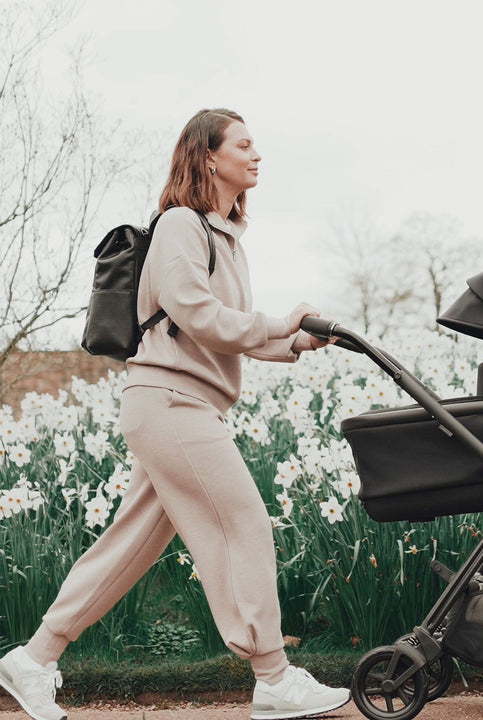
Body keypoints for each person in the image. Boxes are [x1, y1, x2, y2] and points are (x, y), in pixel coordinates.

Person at [0, 109, 350, 720]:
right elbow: (196, 313)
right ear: (209, 156)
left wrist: (292, 341)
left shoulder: (223, 237)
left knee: (129, 546)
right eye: (244, 144)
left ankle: (34, 659)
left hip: (184, 407)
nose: (256, 153)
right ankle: (272, 676)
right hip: (171, 404)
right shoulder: (181, 226)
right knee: (247, 524)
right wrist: (279, 325)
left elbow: (216, 329)